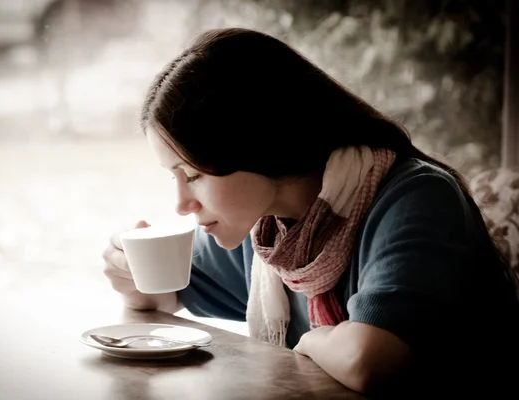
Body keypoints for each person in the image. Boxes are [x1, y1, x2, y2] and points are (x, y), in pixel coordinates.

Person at [102, 27, 519, 397]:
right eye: (172, 177)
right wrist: (131, 269)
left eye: (192, 174)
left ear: (256, 145)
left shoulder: (417, 198)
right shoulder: (270, 233)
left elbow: (370, 361)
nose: (181, 203)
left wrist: (313, 339)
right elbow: (164, 292)